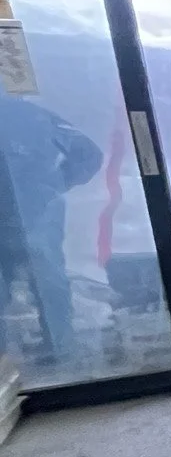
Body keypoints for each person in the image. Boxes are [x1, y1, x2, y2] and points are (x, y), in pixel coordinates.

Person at [0, 92, 104, 364]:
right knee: (48, 281)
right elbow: (89, 154)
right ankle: (61, 350)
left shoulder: (30, 117)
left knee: (47, 280)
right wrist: (53, 186)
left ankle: (58, 351)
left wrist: (53, 186)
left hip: (35, 213)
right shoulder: (35, 116)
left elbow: (89, 155)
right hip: (37, 210)